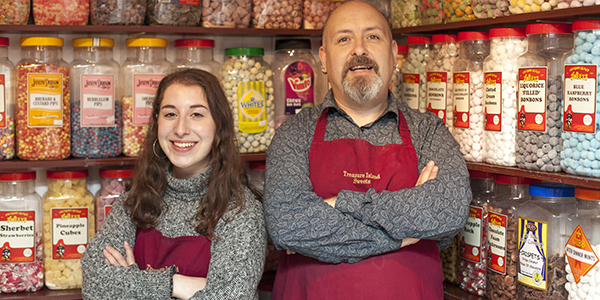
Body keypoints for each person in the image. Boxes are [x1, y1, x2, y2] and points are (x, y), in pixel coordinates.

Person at [263, 1, 471, 299]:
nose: (359, 49)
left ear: (394, 54)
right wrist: (403, 236)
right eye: (344, 39)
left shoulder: (428, 131)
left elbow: (448, 211)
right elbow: (288, 225)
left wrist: (338, 204)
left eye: (372, 37)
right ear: (323, 57)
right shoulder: (295, 133)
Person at [81, 68, 267, 300]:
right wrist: (177, 284)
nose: (180, 129)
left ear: (219, 125)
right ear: (157, 121)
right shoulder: (135, 198)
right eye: (170, 114)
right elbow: (94, 283)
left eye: (196, 115)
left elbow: (230, 297)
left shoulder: (241, 210)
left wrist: (131, 282)